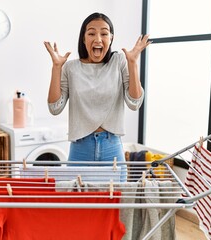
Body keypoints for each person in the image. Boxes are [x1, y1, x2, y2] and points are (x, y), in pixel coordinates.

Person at [44, 12, 151, 181]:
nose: (98, 39)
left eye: (104, 33)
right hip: (80, 148)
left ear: (111, 38)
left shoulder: (119, 62)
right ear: (84, 38)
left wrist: (133, 63)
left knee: (115, 203)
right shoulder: (70, 68)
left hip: (112, 148)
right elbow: (55, 107)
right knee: (80, 205)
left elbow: (134, 102)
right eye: (92, 33)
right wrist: (56, 68)